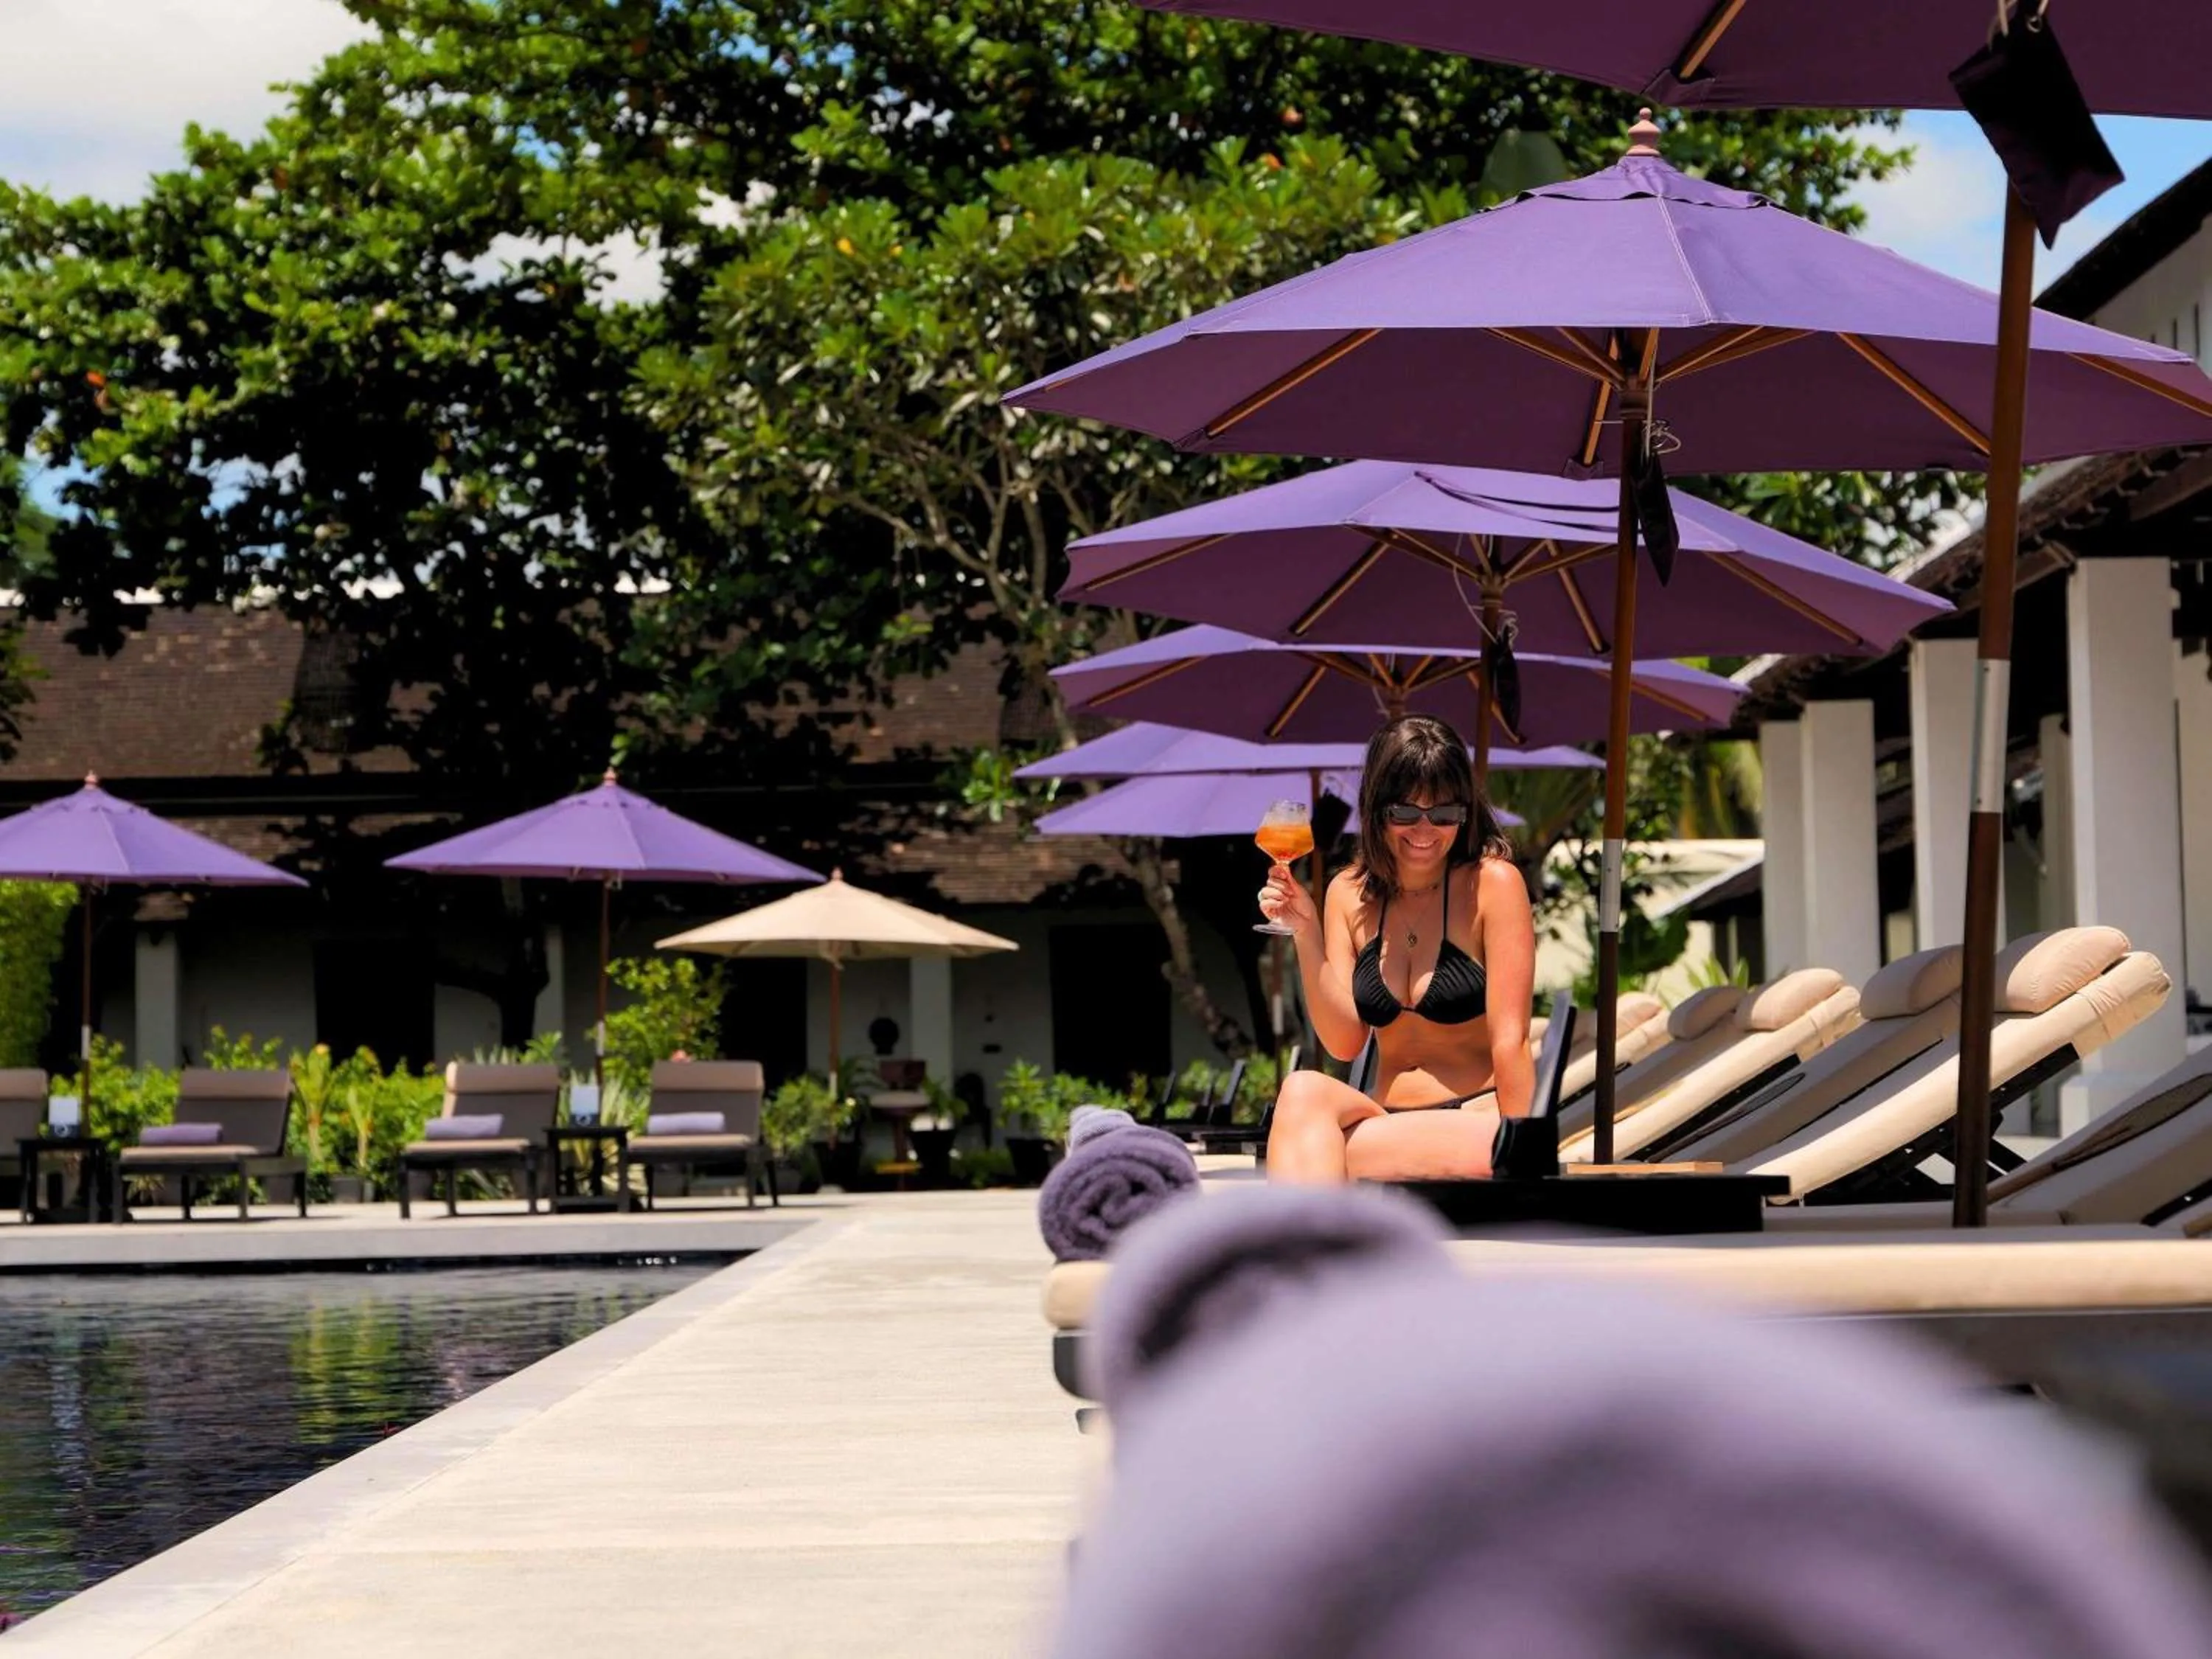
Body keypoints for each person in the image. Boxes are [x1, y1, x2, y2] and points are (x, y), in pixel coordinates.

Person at [1257, 714, 1534, 1182]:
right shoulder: (1348, 893)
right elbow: (1345, 1042)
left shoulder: (1492, 886)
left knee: (1313, 1151)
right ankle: (1312, 1245)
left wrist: (1523, 1150)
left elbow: (1512, 1041)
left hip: (1476, 1123)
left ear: (1465, 813)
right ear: (1377, 811)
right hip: (1387, 1120)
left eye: (1444, 814)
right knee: (1302, 1090)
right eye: (1405, 813)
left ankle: (1300, 1243)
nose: (1425, 831)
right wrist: (1305, 932)